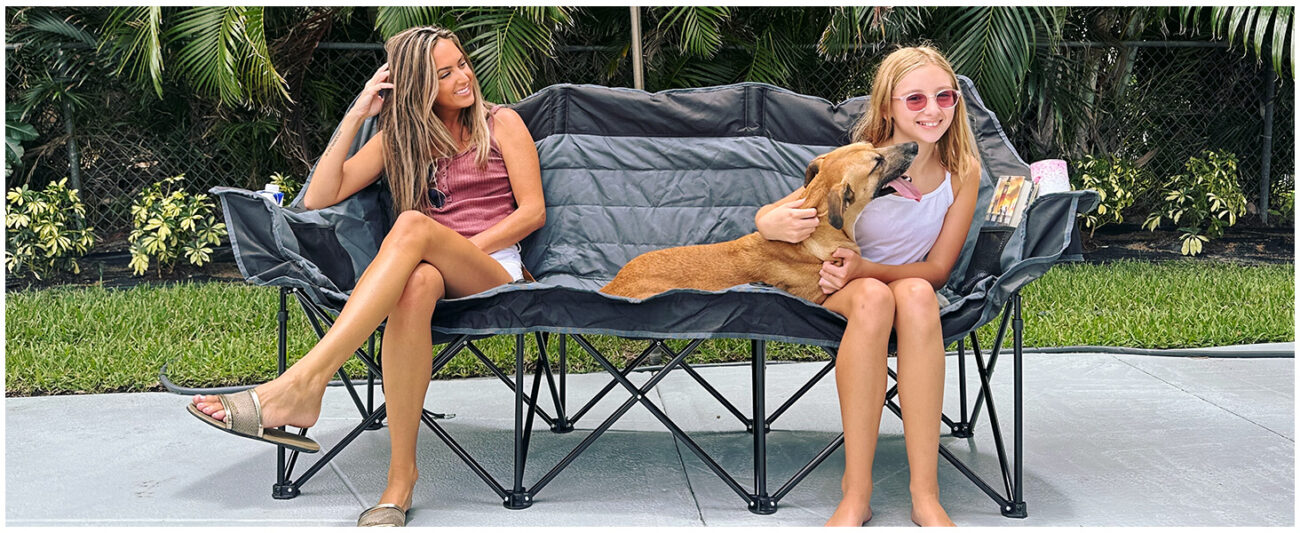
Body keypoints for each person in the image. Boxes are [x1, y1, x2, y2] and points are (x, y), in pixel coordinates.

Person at [187, 26, 545, 527]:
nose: (464, 77)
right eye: (444, 74)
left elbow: (531, 213)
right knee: (415, 285)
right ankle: (400, 481)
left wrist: (456, 247)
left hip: (494, 270)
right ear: (418, 85)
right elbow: (318, 197)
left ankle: (303, 383)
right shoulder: (401, 138)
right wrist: (359, 110)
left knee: (414, 226)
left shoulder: (500, 122)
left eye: (462, 63)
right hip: (428, 269)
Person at [754, 45, 980, 527]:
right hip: (839, 284)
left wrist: (866, 269)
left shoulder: (963, 172)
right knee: (876, 298)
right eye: (915, 99)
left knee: (917, 294)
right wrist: (768, 219)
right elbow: (779, 213)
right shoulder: (860, 161)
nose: (933, 109)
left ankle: (926, 495)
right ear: (888, 106)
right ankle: (855, 493)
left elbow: (937, 270)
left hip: (906, 282)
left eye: (945, 96)